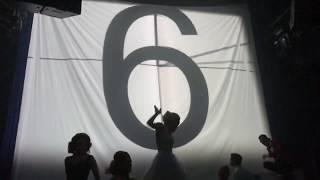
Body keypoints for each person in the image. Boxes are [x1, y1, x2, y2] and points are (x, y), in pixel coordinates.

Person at [143, 106, 187, 180]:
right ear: (170, 121)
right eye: (175, 122)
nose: (176, 125)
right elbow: (149, 123)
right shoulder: (161, 127)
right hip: (162, 158)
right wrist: (157, 114)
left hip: (169, 158)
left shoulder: (169, 131)